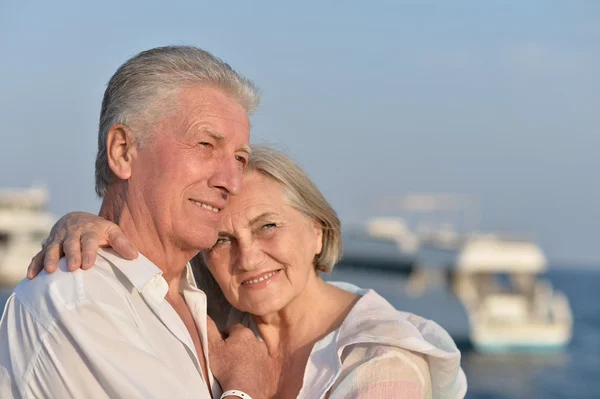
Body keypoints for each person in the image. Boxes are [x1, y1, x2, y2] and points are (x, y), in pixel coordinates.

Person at [28, 146, 468, 398]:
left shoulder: (383, 368)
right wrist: (80, 223)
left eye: (268, 227)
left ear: (318, 231)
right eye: (221, 240)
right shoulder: (213, 319)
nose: (248, 257)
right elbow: (147, 256)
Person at [0, 45, 280, 399]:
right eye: (206, 144)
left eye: (240, 158)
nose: (232, 181)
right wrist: (247, 388)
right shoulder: (78, 299)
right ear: (122, 152)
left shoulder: (210, 296)